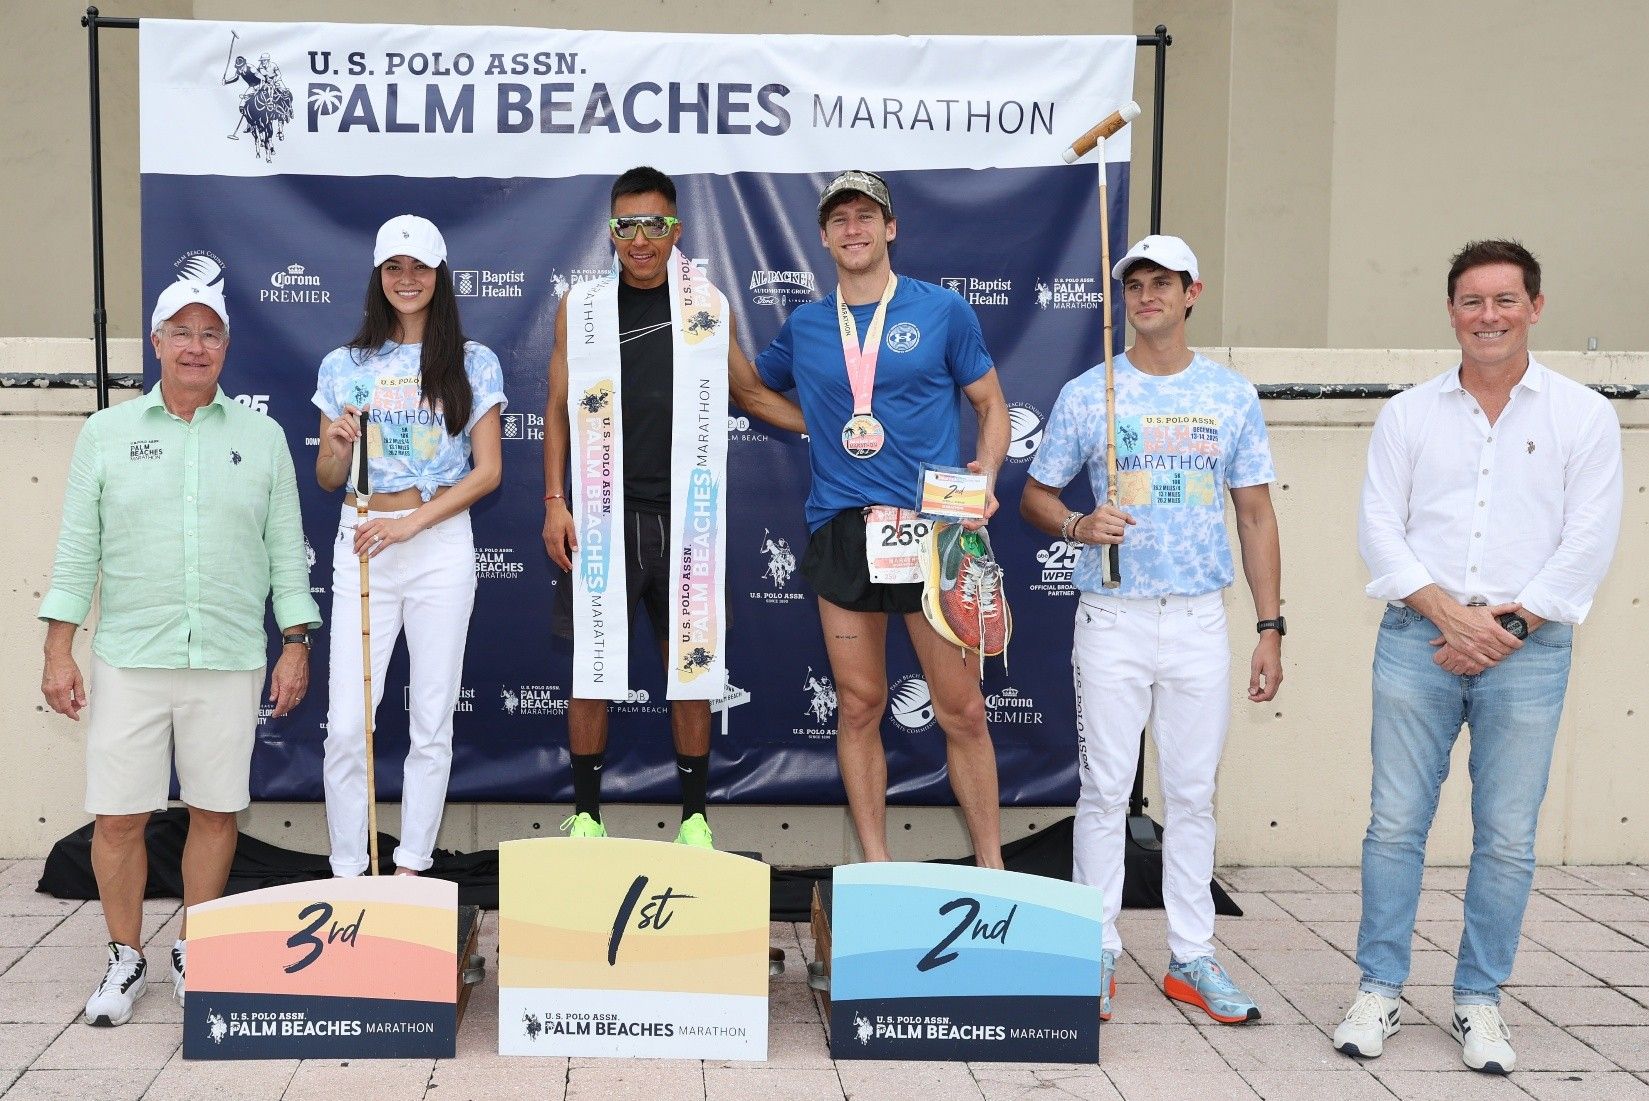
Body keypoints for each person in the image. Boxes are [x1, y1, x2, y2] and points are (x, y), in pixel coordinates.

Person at [1334, 239, 1622, 1074]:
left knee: (1505, 836)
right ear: (1450, 311)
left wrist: (1508, 628)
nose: (1487, 316)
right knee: (1393, 825)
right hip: (1415, 639)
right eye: (1471, 301)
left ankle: (1477, 1000)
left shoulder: (1581, 415)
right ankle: (1377, 987)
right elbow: (1378, 528)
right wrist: (1447, 617)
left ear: (1534, 306)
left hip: (1528, 652)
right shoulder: (1407, 414)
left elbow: (1588, 540)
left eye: (1504, 300)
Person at [39, 279, 320, 1026]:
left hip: (228, 656)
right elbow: (76, 552)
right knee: (119, 817)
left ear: (227, 347)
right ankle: (125, 955)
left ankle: (199, 945)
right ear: (157, 343)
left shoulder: (261, 438)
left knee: (215, 808)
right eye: (181, 331)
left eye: (211, 333)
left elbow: (285, 552)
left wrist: (295, 641)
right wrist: (58, 648)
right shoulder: (105, 431)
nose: (196, 346)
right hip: (131, 656)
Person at [1020, 234, 1283, 1024]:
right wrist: (1076, 521)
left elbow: (1256, 513)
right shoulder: (1087, 392)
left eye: (1161, 282)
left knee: (1194, 793)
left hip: (1201, 614)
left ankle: (1191, 957)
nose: (1146, 296)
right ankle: (1092, 953)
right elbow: (1036, 496)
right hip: (1113, 615)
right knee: (1103, 787)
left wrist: (1271, 625)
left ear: (1191, 290)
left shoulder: (1230, 394)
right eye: (1133, 284)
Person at [738, 170, 1010, 867]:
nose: (852, 229)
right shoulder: (805, 326)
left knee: (962, 710)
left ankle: (993, 868)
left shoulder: (942, 311)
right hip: (843, 528)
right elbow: (751, 392)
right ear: (823, 236)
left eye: (866, 216)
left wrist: (985, 471)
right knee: (858, 705)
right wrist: (820, 426)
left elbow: (991, 405)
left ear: (890, 228)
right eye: (839, 220)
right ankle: (876, 868)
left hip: (933, 530)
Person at [543, 165, 803, 849]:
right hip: (602, 517)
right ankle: (588, 818)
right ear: (611, 232)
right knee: (590, 669)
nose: (638, 239)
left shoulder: (706, 305)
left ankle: (693, 820)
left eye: (652, 224)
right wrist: (552, 500)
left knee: (689, 667)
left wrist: (830, 428)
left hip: (685, 520)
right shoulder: (583, 307)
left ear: (675, 231)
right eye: (625, 225)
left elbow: (748, 391)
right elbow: (556, 408)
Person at [314, 214, 506, 877]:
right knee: (345, 724)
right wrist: (336, 448)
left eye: (419, 268)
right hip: (362, 538)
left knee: (430, 718)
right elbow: (328, 478)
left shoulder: (474, 361)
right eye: (394, 267)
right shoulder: (343, 364)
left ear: (439, 275)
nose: (406, 279)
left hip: (437, 543)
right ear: (378, 275)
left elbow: (487, 471)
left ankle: (411, 868)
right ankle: (346, 872)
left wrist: (412, 525)